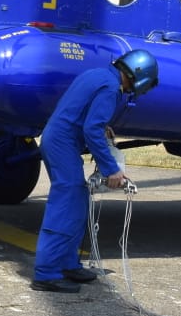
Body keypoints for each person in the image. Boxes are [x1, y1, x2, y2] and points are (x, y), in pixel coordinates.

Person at [32, 49, 159, 294]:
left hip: (59, 139)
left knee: (78, 201)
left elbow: (82, 113)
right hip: (63, 144)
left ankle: (68, 264)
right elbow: (91, 129)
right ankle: (46, 273)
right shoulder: (111, 88)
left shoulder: (98, 74)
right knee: (66, 204)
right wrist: (112, 169)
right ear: (139, 76)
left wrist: (102, 127)